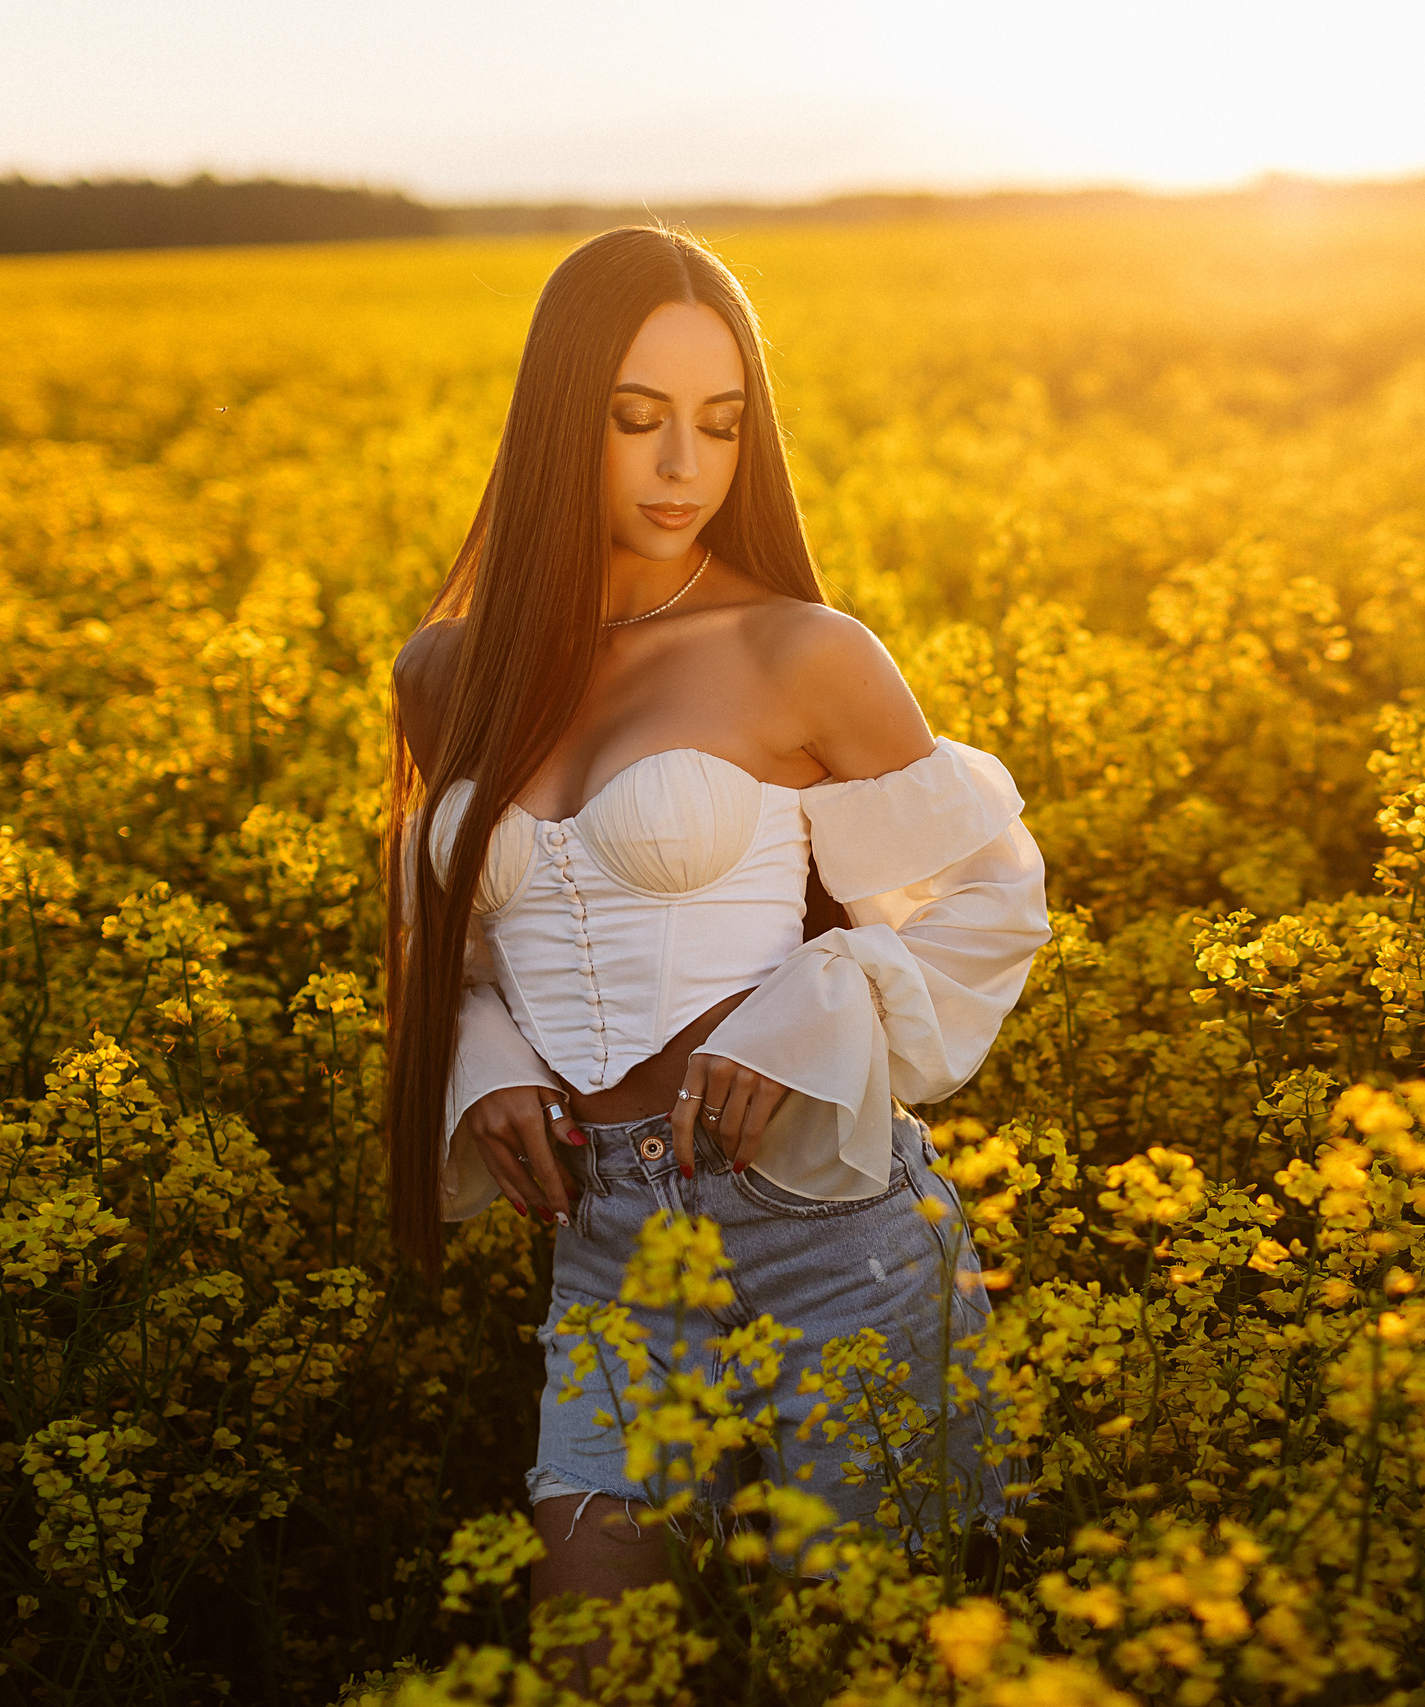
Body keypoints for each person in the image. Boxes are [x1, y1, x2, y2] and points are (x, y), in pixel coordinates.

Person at [381, 228, 1051, 1638]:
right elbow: (459, 925)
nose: (683, 466)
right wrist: (487, 1050)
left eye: (720, 425)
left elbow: (995, 900)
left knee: (851, 1663)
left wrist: (812, 1003)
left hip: (827, 1224)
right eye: (637, 420)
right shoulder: (448, 673)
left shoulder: (798, 650)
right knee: (589, 1660)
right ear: (561, 420)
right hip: (609, 1240)